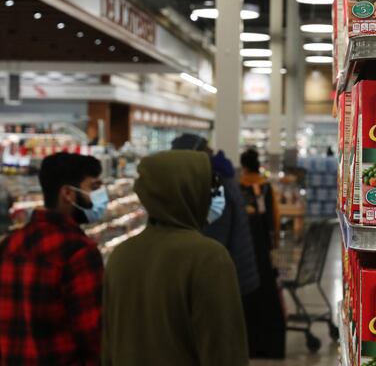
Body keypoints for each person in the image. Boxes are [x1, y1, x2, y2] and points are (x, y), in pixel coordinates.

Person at [102, 150, 248, 365]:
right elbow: (224, 350)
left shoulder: (121, 256)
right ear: (189, 191)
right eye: (208, 187)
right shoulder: (208, 257)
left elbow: (108, 344)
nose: (212, 195)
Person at [0, 153, 106, 364]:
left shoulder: (12, 243)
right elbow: (93, 335)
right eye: (94, 187)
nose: (101, 195)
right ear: (68, 193)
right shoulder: (79, 251)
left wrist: (6, 354)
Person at [171, 134, 259, 295]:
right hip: (237, 272)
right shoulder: (221, 175)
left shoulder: (214, 187)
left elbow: (214, 242)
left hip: (230, 281)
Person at [239, 148, 286, 359]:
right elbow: (275, 218)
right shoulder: (266, 186)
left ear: (243, 165)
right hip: (263, 249)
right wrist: (274, 243)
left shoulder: (236, 186)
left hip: (243, 252)